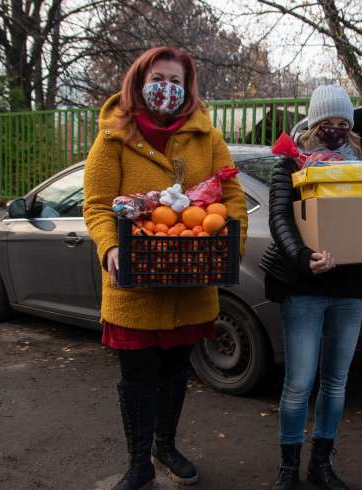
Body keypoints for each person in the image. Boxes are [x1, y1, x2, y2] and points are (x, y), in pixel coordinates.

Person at [83, 46, 247, 490]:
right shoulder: (113, 135)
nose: (167, 89)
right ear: (140, 81)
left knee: (176, 372)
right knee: (137, 377)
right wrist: (110, 249)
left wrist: (230, 247)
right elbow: (97, 206)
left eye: (176, 81)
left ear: (187, 88)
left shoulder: (206, 137)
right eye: (159, 78)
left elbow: (232, 199)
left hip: (191, 281)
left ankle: (166, 445)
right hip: (132, 286)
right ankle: (138, 462)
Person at [259, 85, 362, 490]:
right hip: (305, 285)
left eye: (344, 123)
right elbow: (279, 220)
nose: (337, 130)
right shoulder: (289, 163)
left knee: (336, 383)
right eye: (328, 123)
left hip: (350, 289)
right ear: (313, 123)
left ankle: (320, 465)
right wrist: (303, 257)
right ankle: (288, 467)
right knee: (298, 382)